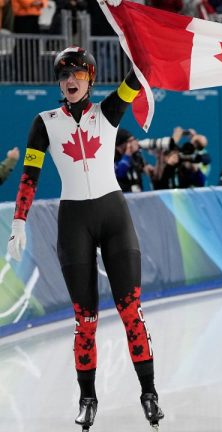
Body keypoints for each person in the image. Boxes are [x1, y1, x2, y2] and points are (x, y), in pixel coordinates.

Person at [6, 47, 164, 431]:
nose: (70, 81)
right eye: (64, 76)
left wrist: (140, 42)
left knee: (131, 312)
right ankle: (88, 400)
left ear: (90, 79)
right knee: (86, 320)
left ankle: (149, 394)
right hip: (74, 221)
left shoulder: (107, 111)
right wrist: (19, 221)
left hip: (113, 218)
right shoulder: (44, 122)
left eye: (77, 74)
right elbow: (29, 176)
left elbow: (137, 77)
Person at [114, 128, 152, 193]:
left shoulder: (136, 156)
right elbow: (120, 173)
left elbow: (148, 171)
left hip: (138, 197)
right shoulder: (113, 159)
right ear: (121, 145)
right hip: (123, 198)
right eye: (131, 140)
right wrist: (128, 152)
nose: (135, 142)